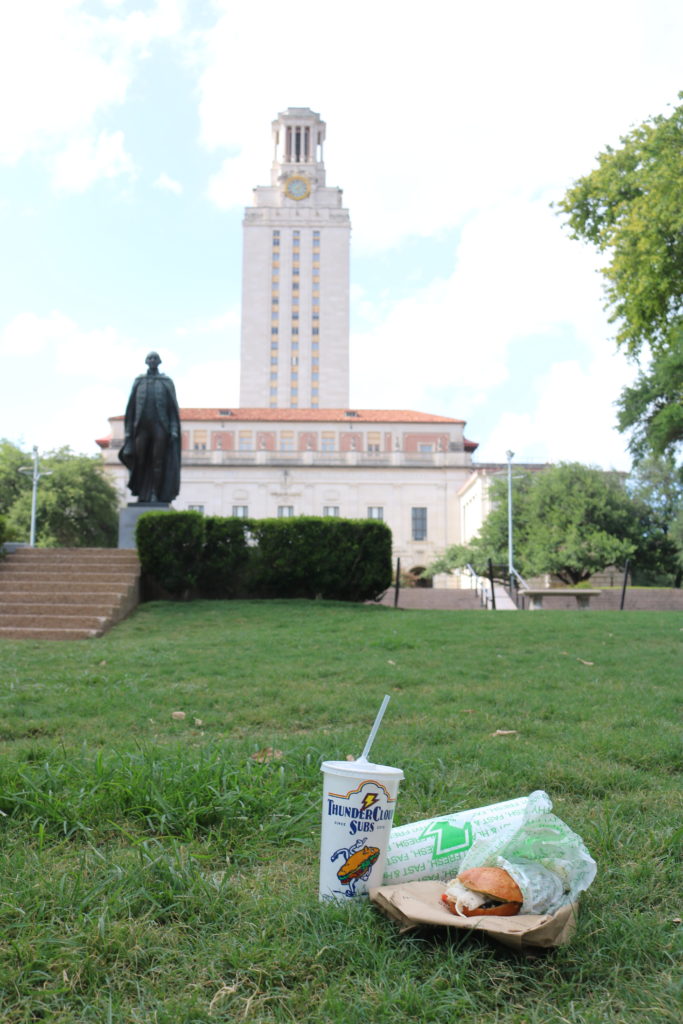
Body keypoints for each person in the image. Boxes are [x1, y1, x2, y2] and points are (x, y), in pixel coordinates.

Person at [119, 352, 181, 503]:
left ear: (159, 361)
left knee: (158, 461)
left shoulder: (166, 381)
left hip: (161, 426)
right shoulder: (139, 381)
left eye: (155, 358)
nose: (152, 360)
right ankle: (141, 492)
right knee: (140, 460)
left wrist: (173, 429)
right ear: (146, 361)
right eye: (150, 358)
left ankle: (155, 493)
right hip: (141, 427)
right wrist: (128, 434)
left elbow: (173, 409)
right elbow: (131, 408)